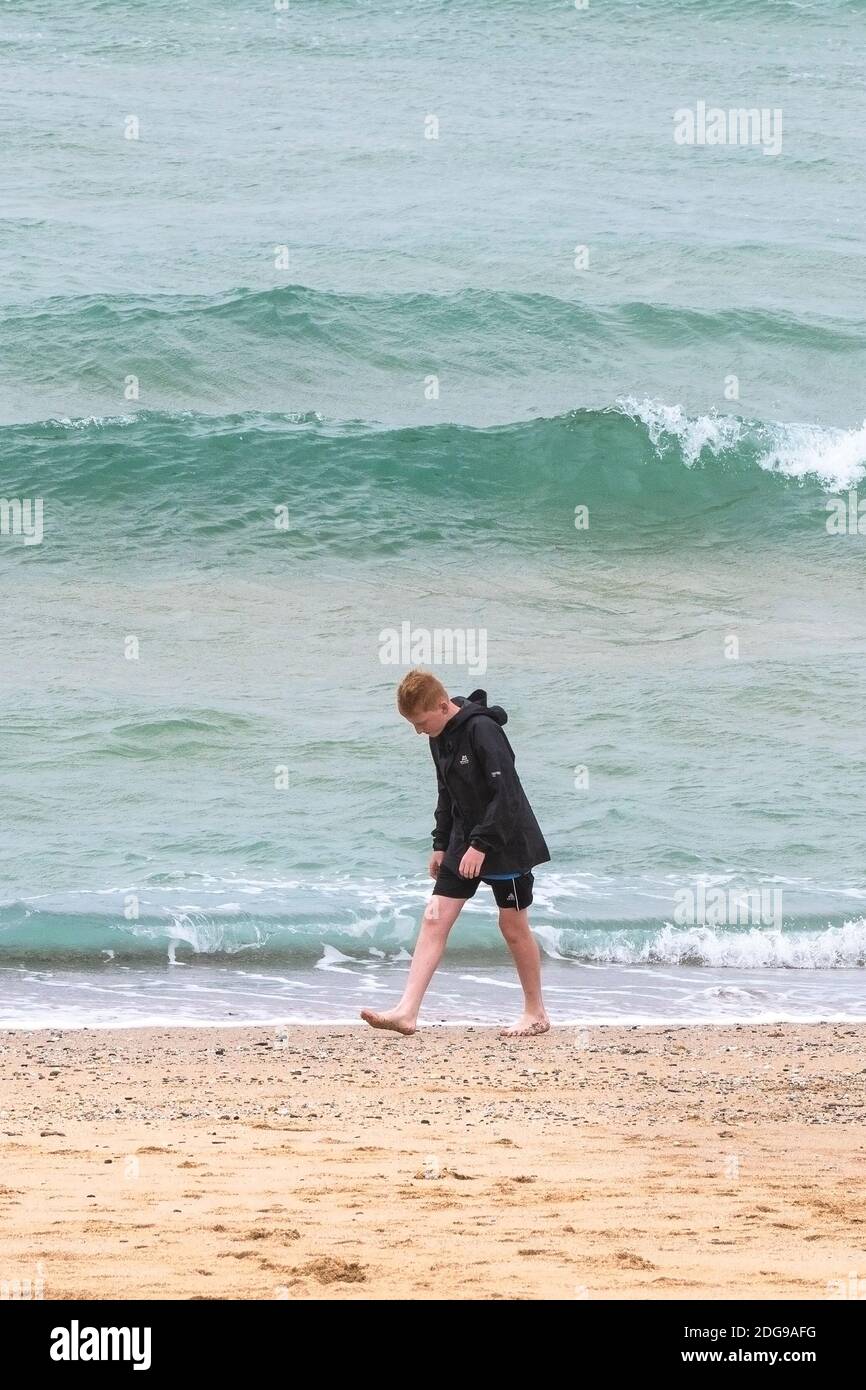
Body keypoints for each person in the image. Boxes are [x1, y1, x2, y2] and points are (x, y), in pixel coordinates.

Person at [361, 668, 551, 1038]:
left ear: (442, 705)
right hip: (465, 841)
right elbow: (446, 792)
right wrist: (440, 843)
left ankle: (536, 1013)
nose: (418, 731)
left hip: (505, 841)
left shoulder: (484, 730)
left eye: (420, 722)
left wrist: (481, 845)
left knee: (512, 926)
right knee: (434, 918)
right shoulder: (439, 736)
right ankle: (406, 1012)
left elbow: (506, 794)